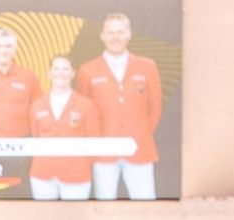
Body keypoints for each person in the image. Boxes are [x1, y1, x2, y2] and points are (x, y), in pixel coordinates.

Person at [79, 13, 163, 200]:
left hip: (139, 151)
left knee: (146, 207)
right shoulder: (87, 70)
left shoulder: (147, 66)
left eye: (120, 32)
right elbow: (84, 112)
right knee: (104, 207)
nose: (115, 37)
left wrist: (140, 134)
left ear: (129, 34)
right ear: (102, 36)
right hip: (104, 153)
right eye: (111, 33)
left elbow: (155, 108)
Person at [28, 56, 100, 201]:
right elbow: (35, 138)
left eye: (65, 69)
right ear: (49, 73)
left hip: (76, 175)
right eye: (56, 69)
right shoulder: (37, 105)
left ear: (73, 73)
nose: (60, 73)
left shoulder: (86, 104)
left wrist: (80, 165)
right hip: (43, 174)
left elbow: (94, 142)